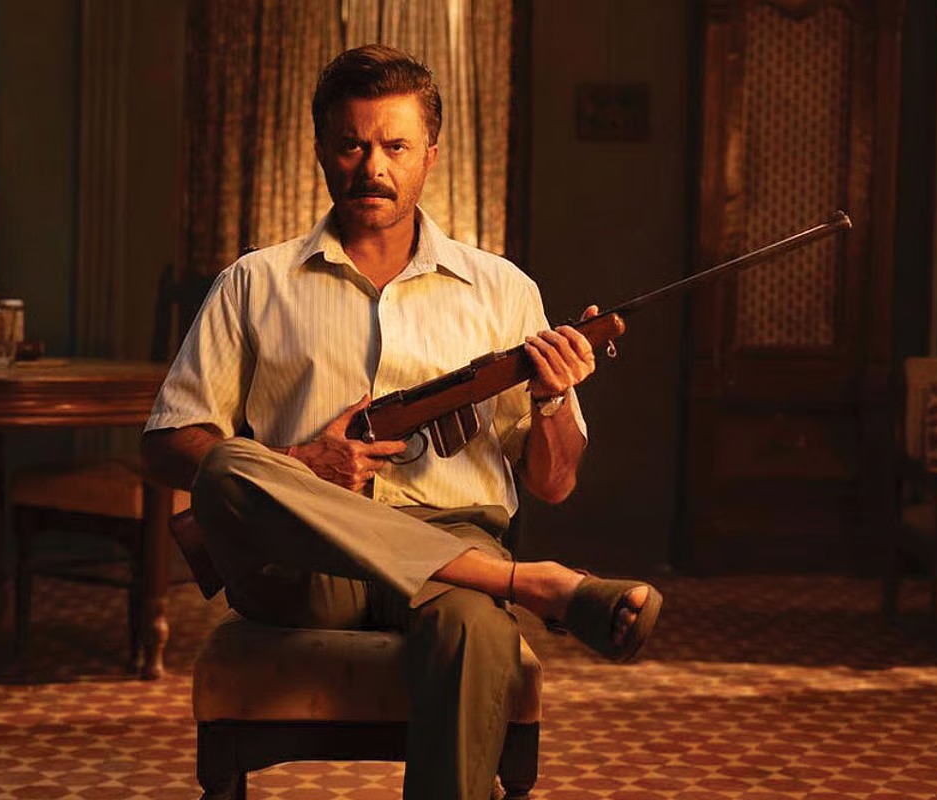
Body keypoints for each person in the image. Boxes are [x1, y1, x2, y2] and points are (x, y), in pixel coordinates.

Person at [141, 44, 662, 800]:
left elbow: (553, 484)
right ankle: (531, 584)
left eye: (396, 146)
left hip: (455, 538)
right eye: (351, 145)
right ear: (322, 149)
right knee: (227, 464)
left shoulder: (504, 289)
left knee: (477, 629)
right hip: (302, 562)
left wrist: (551, 397)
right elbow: (166, 444)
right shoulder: (252, 282)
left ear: (430, 156)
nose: (373, 168)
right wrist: (298, 467)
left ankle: (505, 584)